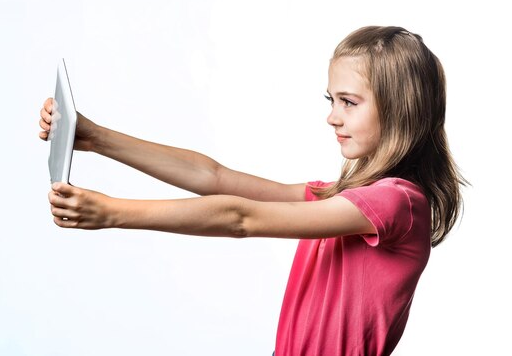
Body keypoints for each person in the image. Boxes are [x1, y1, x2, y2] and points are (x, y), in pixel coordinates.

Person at [38, 26, 464, 356]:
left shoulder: (396, 202)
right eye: (330, 100)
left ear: (401, 109)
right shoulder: (342, 198)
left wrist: (113, 212)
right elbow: (213, 176)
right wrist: (95, 137)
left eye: (349, 102)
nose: (332, 118)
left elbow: (241, 218)